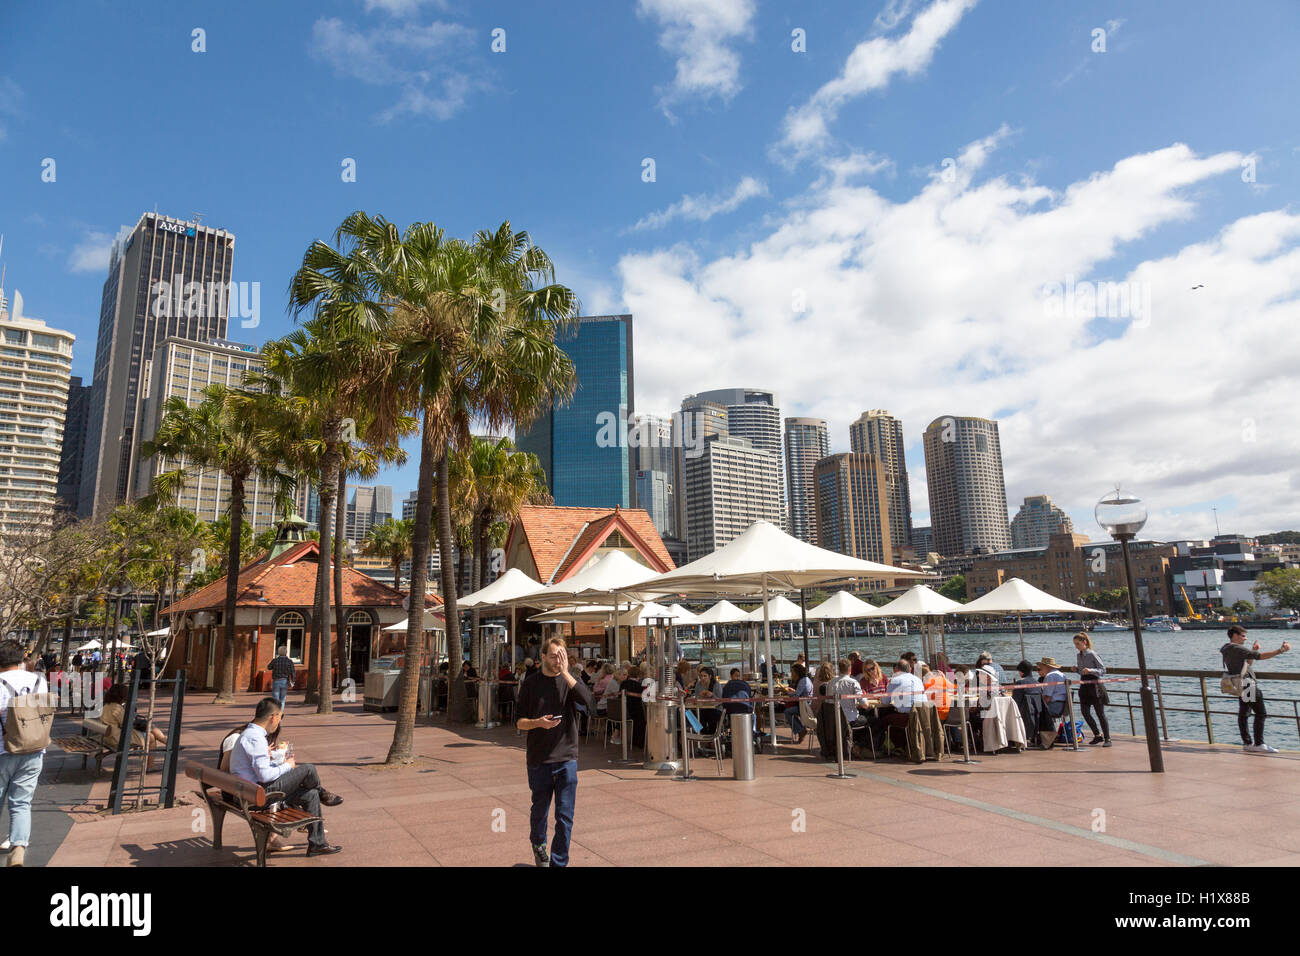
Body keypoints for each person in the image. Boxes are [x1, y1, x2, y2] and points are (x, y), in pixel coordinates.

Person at [514, 636, 594, 868]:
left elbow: (589, 704)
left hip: (566, 758)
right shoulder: (531, 683)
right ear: (542, 658)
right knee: (539, 810)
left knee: (565, 816)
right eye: (553, 656)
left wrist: (568, 673)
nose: (558, 660)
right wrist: (537, 723)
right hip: (539, 759)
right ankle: (539, 845)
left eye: (562, 655)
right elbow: (518, 722)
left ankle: (559, 863)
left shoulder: (571, 682)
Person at [230, 697, 344, 856]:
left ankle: (318, 843)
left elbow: (258, 769)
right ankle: (322, 793)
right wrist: (287, 765)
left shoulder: (250, 734)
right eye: (280, 717)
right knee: (308, 769)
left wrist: (274, 761)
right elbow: (264, 775)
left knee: (310, 795)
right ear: (273, 717)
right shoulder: (255, 737)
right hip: (258, 795)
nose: (279, 722)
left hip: (250, 792)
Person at [0, 638, 49, 867]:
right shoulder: (39, 680)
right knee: (21, 802)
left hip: (2, 749)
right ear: (21, 659)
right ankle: (18, 848)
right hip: (34, 748)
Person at [219, 724, 296, 853]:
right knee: (281, 787)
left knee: (280, 783)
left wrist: (264, 756)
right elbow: (225, 769)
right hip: (233, 791)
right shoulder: (236, 738)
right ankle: (278, 835)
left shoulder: (245, 738)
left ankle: (304, 822)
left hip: (241, 788)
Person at [1221, 624, 1290, 754]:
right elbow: (1260, 656)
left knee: (1244, 713)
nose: (1245, 639)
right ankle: (1259, 743)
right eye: (1243, 636)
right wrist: (1281, 650)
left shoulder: (1226, 648)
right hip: (1247, 683)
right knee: (1261, 713)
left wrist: (1251, 651)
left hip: (1240, 683)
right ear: (1235, 635)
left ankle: (1247, 743)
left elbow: (1247, 664)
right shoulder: (1237, 648)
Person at [1072, 633, 1112, 747]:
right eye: (1075, 644)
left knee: (1100, 713)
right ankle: (1097, 734)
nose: (1076, 646)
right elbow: (1081, 671)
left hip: (1095, 686)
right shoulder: (1078, 656)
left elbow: (1103, 670)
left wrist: (1090, 670)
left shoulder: (1092, 654)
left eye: (1078, 644)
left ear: (1084, 642)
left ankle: (1107, 738)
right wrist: (1076, 670)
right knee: (1085, 712)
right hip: (1084, 685)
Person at [1036, 657, 1073, 746]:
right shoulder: (1061, 674)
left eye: (1041, 667)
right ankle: (1044, 738)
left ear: (1046, 666)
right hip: (1062, 706)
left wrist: (1037, 706)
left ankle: (1044, 740)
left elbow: (1047, 697)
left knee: (1035, 712)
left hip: (1055, 706)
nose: (1040, 669)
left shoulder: (1050, 676)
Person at [1011, 660, 1047, 749]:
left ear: (1021, 671)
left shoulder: (1020, 683)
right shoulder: (1038, 684)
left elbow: (1014, 702)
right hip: (1036, 715)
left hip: (1022, 714)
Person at [783, 663, 814, 744]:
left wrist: (787, 692)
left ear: (797, 673)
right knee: (788, 710)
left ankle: (800, 730)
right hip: (805, 704)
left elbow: (796, 696)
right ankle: (800, 729)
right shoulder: (805, 679)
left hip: (805, 707)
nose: (792, 674)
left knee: (787, 711)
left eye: (792, 672)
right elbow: (799, 693)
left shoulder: (803, 680)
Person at [620, 665, 646, 750]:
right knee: (642, 721)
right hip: (635, 710)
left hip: (625, 710)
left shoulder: (623, 683)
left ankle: (634, 740)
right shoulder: (639, 686)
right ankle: (641, 742)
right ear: (639, 675)